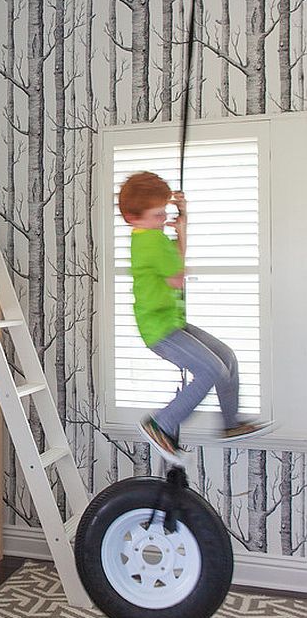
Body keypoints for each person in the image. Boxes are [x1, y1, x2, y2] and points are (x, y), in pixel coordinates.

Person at [118, 171, 273, 465]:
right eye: (156, 215)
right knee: (212, 369)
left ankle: (231, 423)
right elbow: (177, 278)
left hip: (172, 321)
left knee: (226, 357)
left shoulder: (150, 235)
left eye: (163, 212)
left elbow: (174, 264)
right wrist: (183, 232)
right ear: (133, 218)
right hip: (160, 330)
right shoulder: (149, 241)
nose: (162, 219)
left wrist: (181, 227)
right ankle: (160, 423)